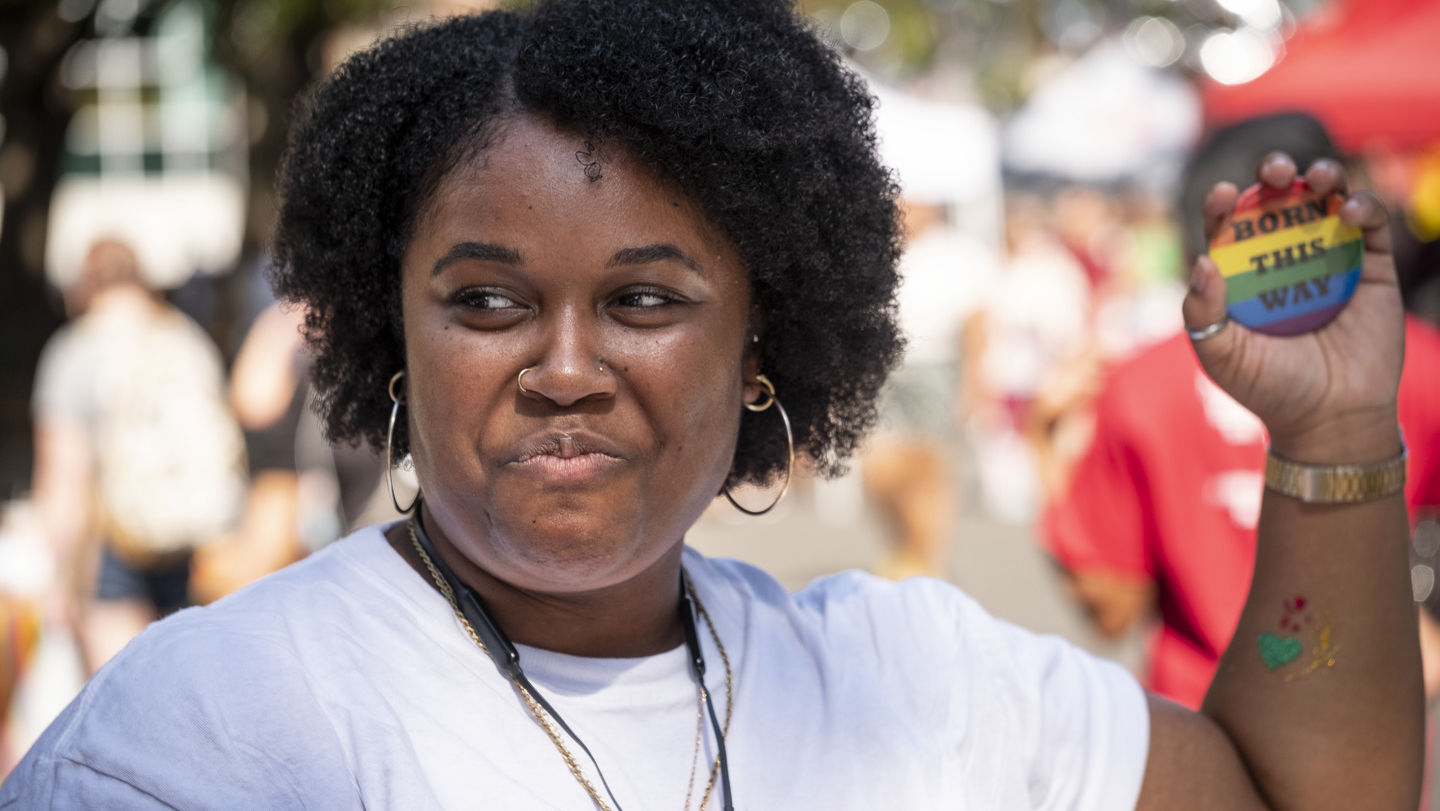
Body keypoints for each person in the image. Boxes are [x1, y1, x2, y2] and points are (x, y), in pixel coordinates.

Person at [0, 3, 1423, 808]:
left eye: (645, 300)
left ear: (763, 340)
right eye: (488, 300)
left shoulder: (914, 685)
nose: (565, 362)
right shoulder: (199, 739)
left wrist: (1338, 430)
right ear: (392, 327)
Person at [1043, 114, 1440, 709]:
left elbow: (1110, 607)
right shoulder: (1413, 361)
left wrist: (1047, 450)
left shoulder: (1140, 383)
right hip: (1368, 737)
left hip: (1199, 736)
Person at [25, 240, 246, 675]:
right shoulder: (186, 338)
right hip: (192, 544)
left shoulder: (75, 351)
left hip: (112, 552)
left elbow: (63, 479)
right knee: (178, 694)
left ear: (84, 284)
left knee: (122, 703)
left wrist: (58, 583)